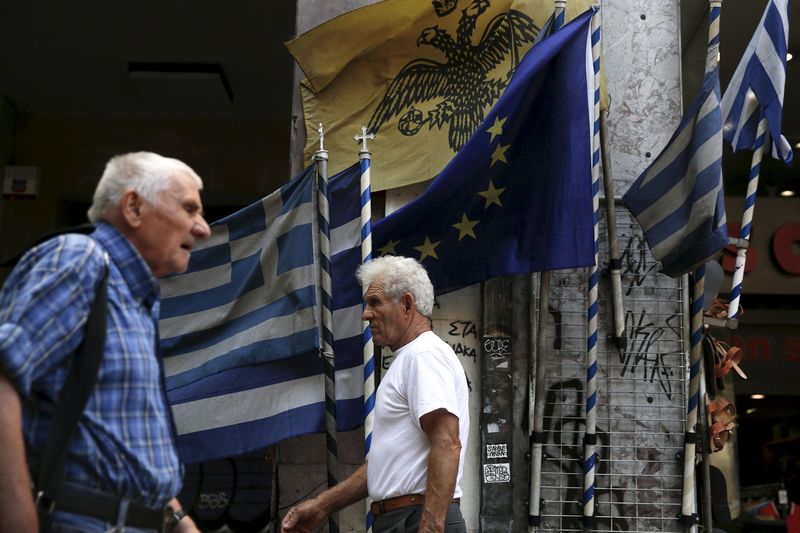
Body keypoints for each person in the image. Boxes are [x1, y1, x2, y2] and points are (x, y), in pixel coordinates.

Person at [0, 152, 211, 532]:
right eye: (189, 209)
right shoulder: (79, 261)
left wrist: (180, 522)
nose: (203, 228)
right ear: (133, 206)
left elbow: (119, 442)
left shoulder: (134, 296)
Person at [282, 256, 470, 533]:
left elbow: (447, 443)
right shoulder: (412, 357)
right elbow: (381, 470)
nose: (365, 313)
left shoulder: (423, 355)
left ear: (407, 304)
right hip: (403, 519)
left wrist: (431, 527)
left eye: (375, 302)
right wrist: (322, 505)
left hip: (416, 520)